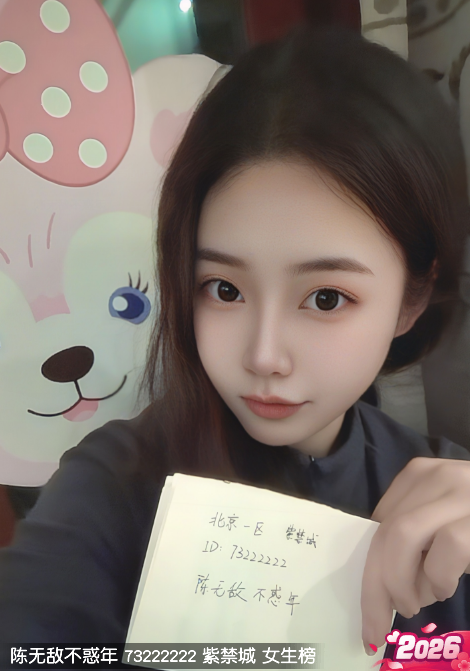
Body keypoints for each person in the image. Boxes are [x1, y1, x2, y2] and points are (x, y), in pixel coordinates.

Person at [1, 25, 470, 661]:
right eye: (224, 289)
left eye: (326, 298)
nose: (263, 356)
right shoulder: (110, 487)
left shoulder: (451, 501)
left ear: (412, 298)